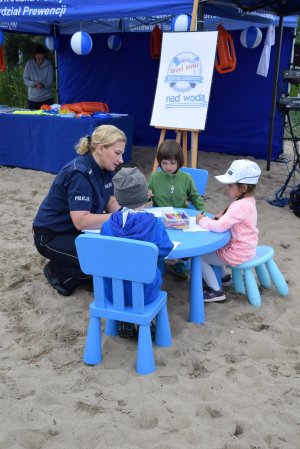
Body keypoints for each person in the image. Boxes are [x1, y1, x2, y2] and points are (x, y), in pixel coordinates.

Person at [33, 124, 126, 296]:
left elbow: (110, 199)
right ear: (100, 149)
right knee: (100, 266)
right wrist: (116, 218)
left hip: (76, 233)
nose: (121, 160)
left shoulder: (106, 167)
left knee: (113, 256)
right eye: (117, 153)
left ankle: (69, 264)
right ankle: (57, 271)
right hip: (51, 235)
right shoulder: (79, 173)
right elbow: (81, 221)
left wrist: (127, 215)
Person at [101, 167, 174, 338]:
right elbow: (165, 249)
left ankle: (125, 322)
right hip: (145, 292)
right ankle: (145, 322)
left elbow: (105, 251)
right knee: (155, 270)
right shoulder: (155, 224)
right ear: (146, 196)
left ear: (117, 198)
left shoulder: (108, 224)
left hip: (112, 291)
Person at [195, 159, 261, 302]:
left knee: (198, 257)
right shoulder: (248, 201)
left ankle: (215, 290)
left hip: (236, 253)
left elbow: (220, 227)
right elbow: (234, 220)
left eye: (230, 185)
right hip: (247, 248)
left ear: (243, 188)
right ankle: (224, 278)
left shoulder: (238, 205)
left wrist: (202, 220)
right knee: (212, 252)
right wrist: (224, 216)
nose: (227, 188)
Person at [148, 139, 205, 279]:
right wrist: (147, 195)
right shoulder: (154, 177)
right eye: (164, 163)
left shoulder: (186, 178)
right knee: (158, 241)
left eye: (172, 163)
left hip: (181, 219)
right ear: (159, 162)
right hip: (161, 220)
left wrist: (201, 211)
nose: (168, 166)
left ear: (179, 162)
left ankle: (181, 262)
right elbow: (146, 198)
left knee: (187, 241)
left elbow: (195, 196)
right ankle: (160, 264)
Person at [23, 44, 54, 110]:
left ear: (45, 57)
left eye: (42, 59)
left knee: (48, 119)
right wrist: (34, 83)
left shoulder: (49, 65)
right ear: (34, 56)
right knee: (33, 119)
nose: (40, 61)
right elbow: (25, 80)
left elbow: (49, 83)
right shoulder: (29, 64)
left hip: (47, 99)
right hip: (33, 100)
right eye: (38, 59)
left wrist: (42, 85)